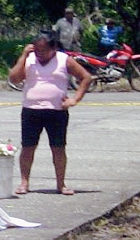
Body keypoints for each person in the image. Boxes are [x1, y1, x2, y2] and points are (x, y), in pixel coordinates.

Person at [8, 31, 93, 195]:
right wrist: (24, 55)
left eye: (44, 50)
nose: (40, 54)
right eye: (37, 50)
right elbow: (14, 78)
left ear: (54, 48)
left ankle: (61, 184)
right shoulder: (29, 59)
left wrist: (75, 99)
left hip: (56, 111)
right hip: (31, 110)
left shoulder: (64, 59)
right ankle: (24, 182)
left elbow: (86, 77)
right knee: (28, 147)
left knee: (58, 148)